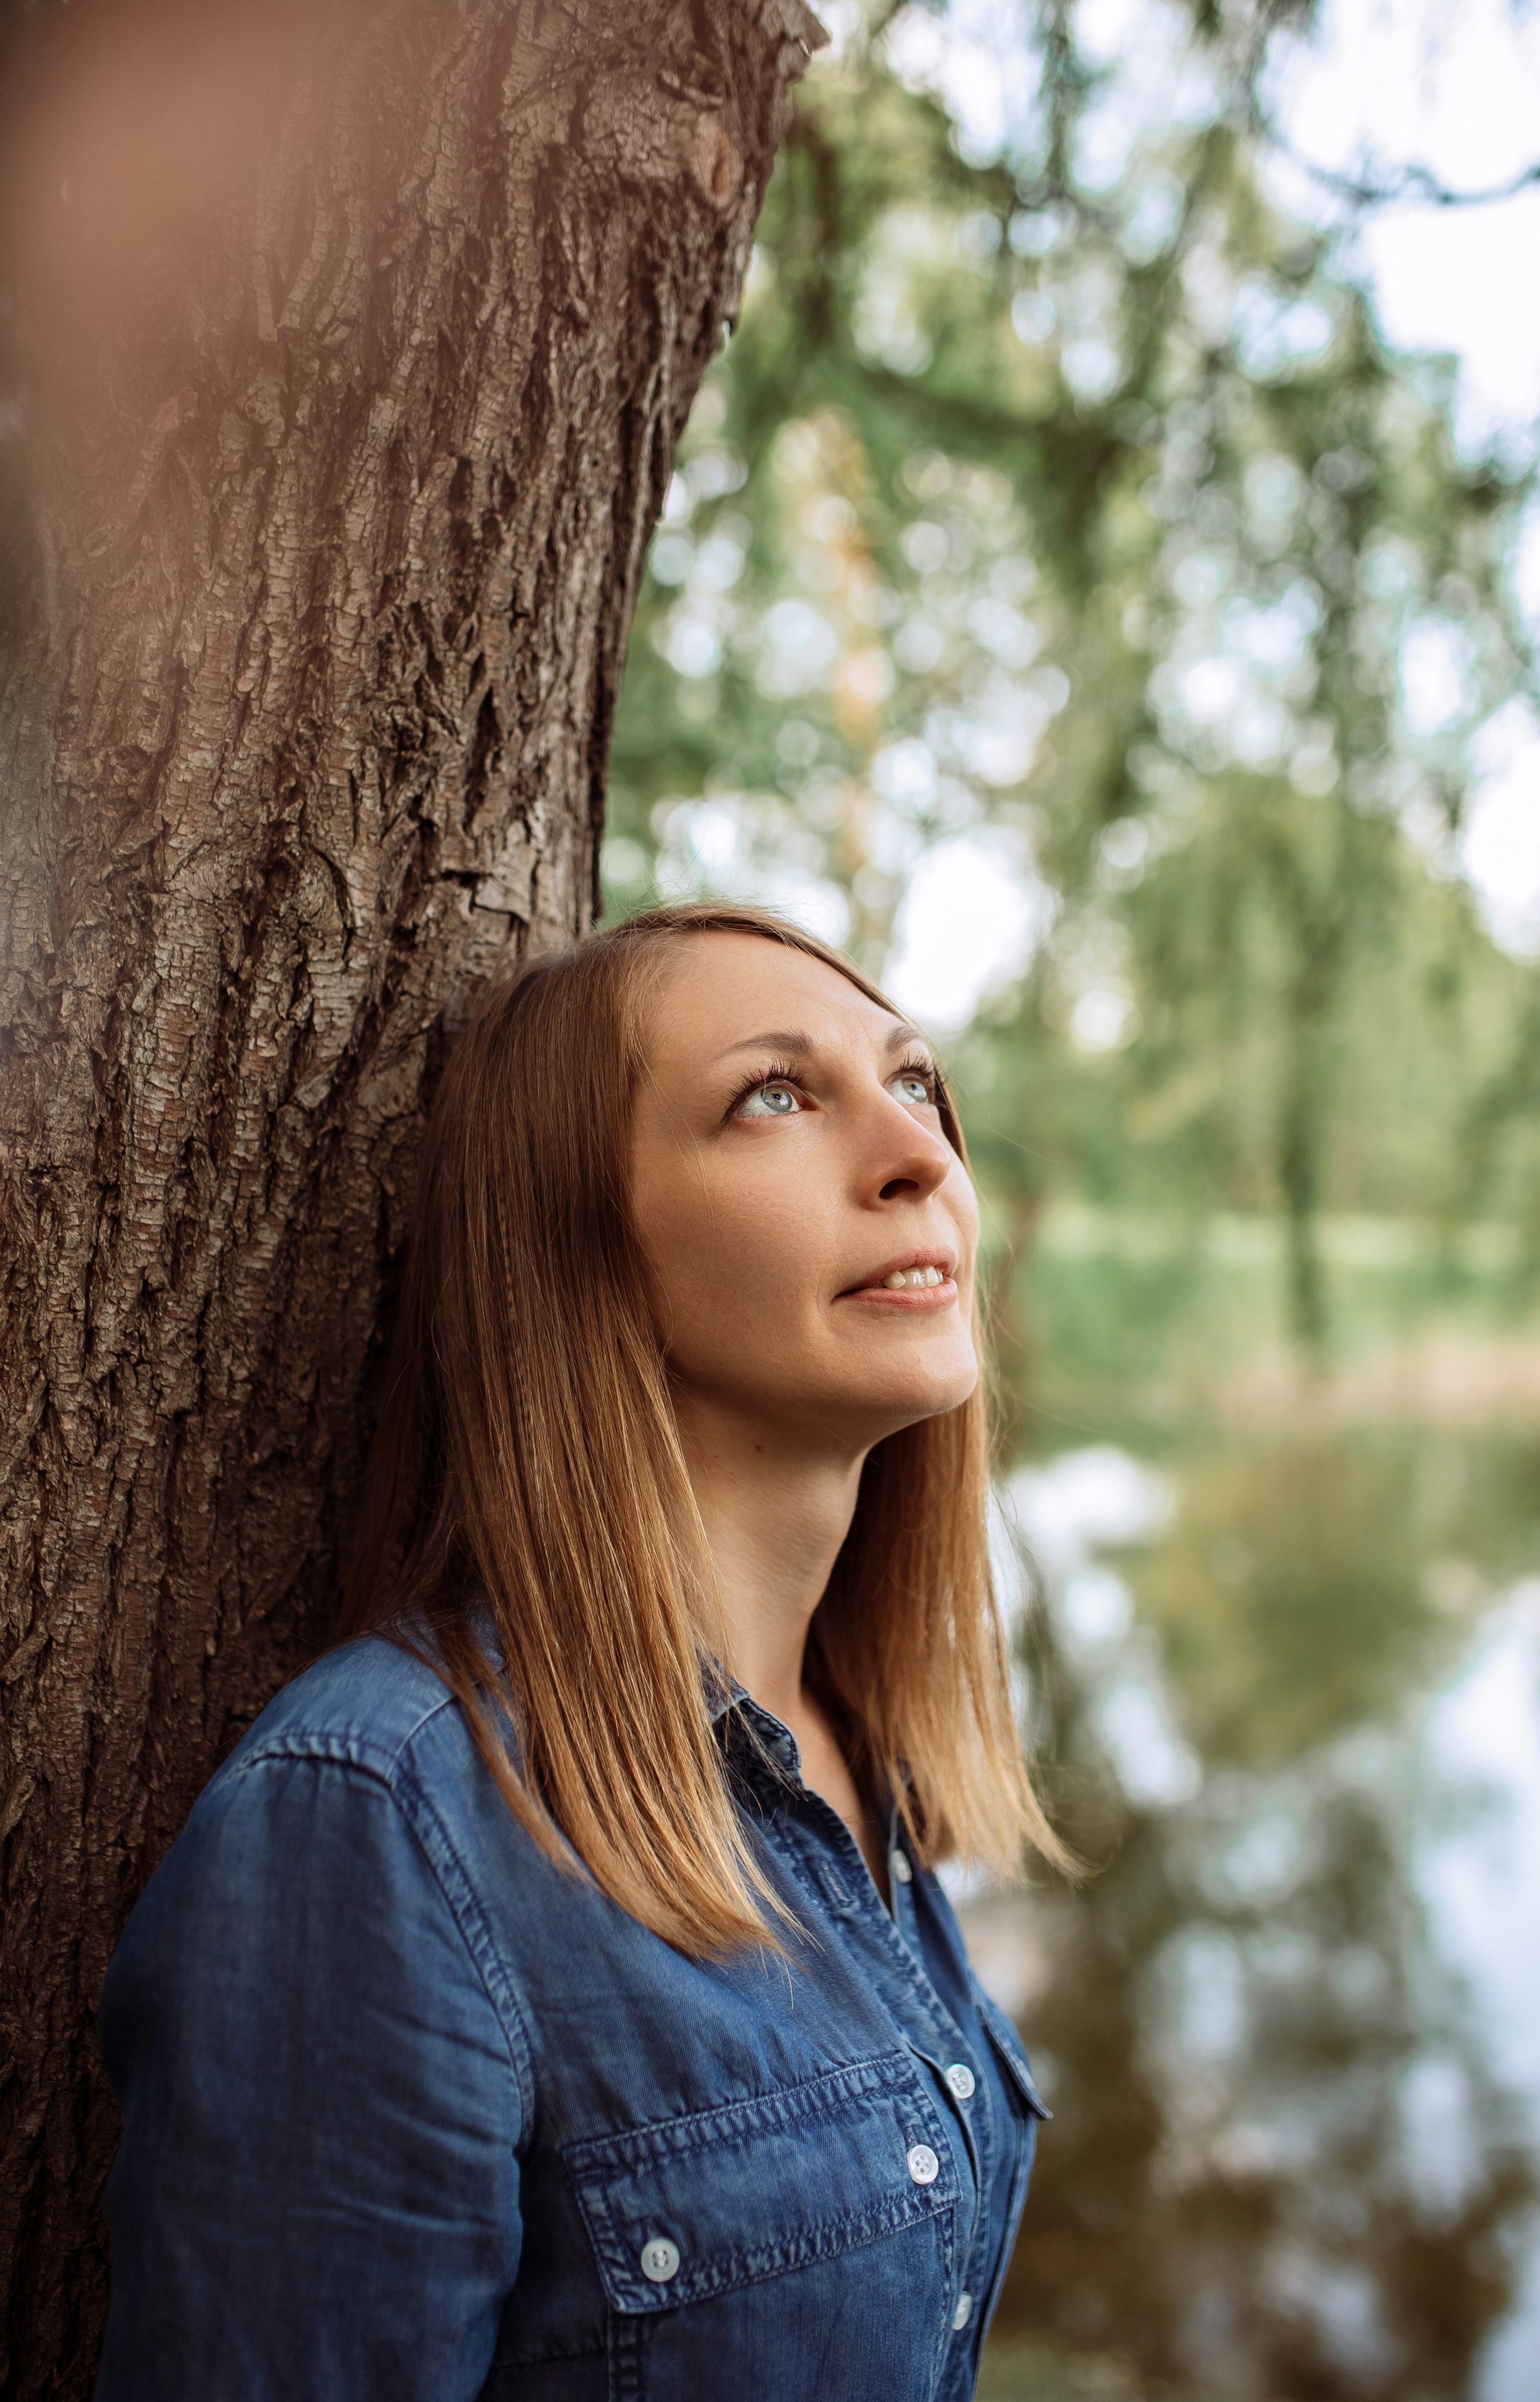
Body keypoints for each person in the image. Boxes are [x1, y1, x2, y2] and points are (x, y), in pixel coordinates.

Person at [94, 901, 1063, 2401]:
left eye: (916, 1082)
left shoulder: (857, 1752)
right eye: (776, 1096)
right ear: (574, 1239)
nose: (919, 1157)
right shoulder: (378, 1819)